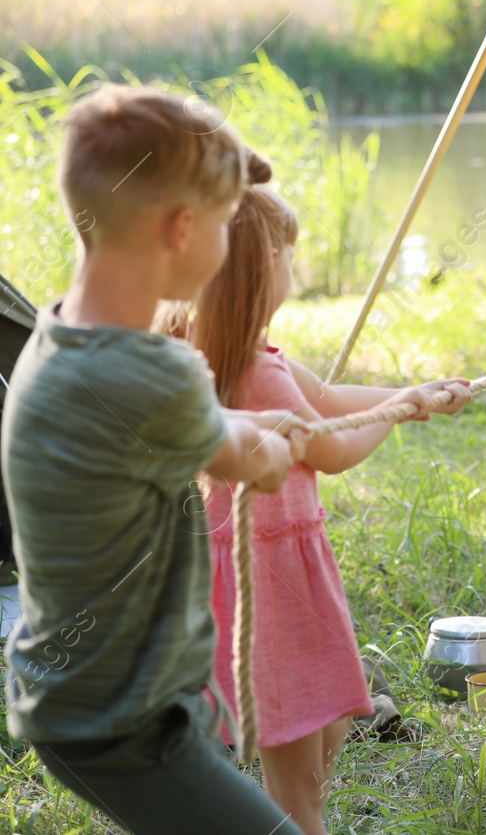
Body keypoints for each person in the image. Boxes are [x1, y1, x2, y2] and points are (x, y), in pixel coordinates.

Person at [2, 87, 306, 834]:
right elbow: (255, 464)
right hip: (123, 720)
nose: (234, 242)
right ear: (182, 228)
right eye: (231, 222)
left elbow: (176, 430)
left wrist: (254, 422)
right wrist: (270, 437)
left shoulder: (61, 337)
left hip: (90, 696)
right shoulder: (155, 376)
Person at [161, 175, 469, 835]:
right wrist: (395, 412)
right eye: (287, 254)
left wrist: (409, 393)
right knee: (299, 766)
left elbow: (326, 398)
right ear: (257, 268)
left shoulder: (221, 353)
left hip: (261, 572)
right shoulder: (258, 369)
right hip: (274, 581)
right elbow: (331, 447)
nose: (294, 266)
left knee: (314, 730)